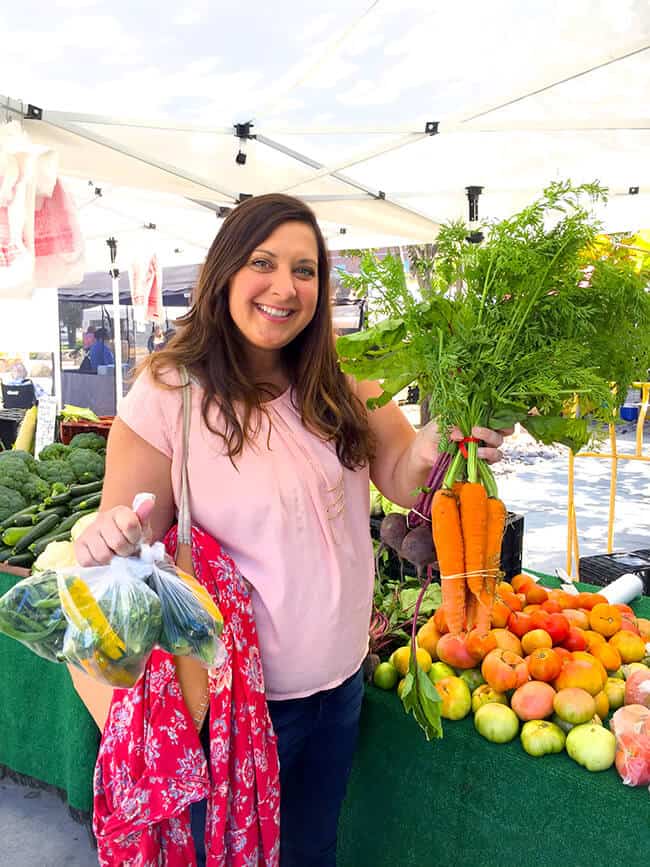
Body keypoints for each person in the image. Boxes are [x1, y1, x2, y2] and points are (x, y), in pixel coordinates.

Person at [74, 194, 507, 866]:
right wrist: (104, 534)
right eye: (263, 263)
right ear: (224, 274)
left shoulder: (343, 376)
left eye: (305, 270)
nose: (285, 287)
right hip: (235, 704)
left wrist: (431, 446)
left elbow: (397, 470)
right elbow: (126, 526)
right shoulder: (170, 391)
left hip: (339, 685)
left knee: (312, 850)